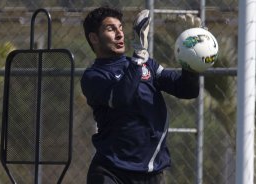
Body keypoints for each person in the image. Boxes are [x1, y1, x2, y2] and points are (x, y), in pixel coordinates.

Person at [81, 6, 200, 184]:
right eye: (110, 29)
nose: (119, 34)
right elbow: (122, 97)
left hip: (152, 172)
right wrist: (138, 57)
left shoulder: (146, 64)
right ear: (94, 38)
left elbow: (186, 90)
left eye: (120, 27)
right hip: (112, 171)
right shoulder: (93, 76)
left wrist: (190, 56)